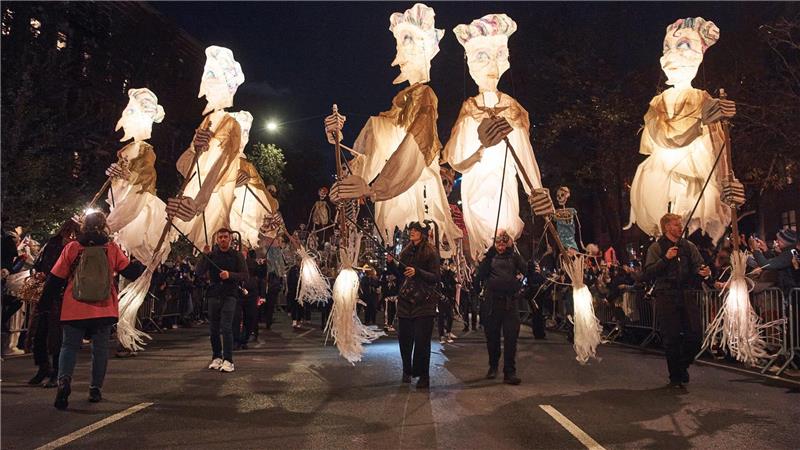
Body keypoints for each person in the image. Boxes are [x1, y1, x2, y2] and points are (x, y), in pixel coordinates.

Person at [42, 211, 144, 409]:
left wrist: (44, 304)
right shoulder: (111, 248)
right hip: (103, 309)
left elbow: (55, 278)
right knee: (100, 350)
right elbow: (130, 272)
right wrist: (144, 264)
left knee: (69, 347)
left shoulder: (72, 247)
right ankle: (95, 388)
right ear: (104, 225)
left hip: (74, 307)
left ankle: (64, 381)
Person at [643, 213, 710, 389]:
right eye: (676, 225)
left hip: (686, 293)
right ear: (667, 227)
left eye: (681, 224)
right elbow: (648, 272)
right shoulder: (656, 248)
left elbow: (699, 265)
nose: (681, 227)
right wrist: (666, 259)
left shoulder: (688, 247)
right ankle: (675, 376)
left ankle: (683, 364)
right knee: (671, 337)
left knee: (695, 335)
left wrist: (704, 272)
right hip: (666, 294)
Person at [387, 221, 440, 389]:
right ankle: (407, 370)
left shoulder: (431, 252)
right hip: (405, 302)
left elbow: (435, 277)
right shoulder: (405, 252)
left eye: (416, 230)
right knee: (405, 340)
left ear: (423, 233)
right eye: (411, 230)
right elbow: (402, 276)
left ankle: (423, 375)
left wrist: (418, 272)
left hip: (424, 302)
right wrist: (390, 264)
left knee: (422, 341)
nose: (412, 232)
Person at [27, 219, 80, 387]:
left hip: (62, 295)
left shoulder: (75, 247)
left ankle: (56, 371)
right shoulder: (53, 244)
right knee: (40, 333)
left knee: (55, 336)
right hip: (49, 293)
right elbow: (39, 264)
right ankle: (44, 368)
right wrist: (41, 275)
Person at [475, 230, 526, 385]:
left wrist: (522, 286)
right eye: (498, 243)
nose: (501, 247)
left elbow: (527, 274)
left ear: (508, 243)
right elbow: (479, 277)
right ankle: (493, 366)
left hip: (510, 304)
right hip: (492, 304)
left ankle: (509, 372)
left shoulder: (515, 257)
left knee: (511, 339)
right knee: (492, 338)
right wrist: (487, 258)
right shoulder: (490, 258)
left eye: (504, 243)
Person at [195, 228, 248, 373]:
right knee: (213, 329)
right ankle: (216, 356)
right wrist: (204, 256)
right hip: (213, 294)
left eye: (225, 237)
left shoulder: (237, 256)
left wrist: (229, 275)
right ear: (217, 240)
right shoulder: (211, 255)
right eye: (220, 237)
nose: (223, 239)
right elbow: (198, 272)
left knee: (226, 327)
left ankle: (228, 359)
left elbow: (244, 275)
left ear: (230, 239)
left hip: (230, 295)